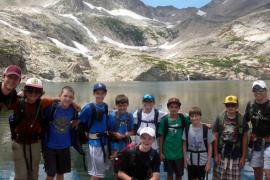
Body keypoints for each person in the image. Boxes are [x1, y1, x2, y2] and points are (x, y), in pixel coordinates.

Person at [10, 77, 54, 180]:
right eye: (30, 90)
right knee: (21, 175)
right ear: (25, 90)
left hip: (35, 143)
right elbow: (4, 99)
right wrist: (17, 94)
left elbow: (60, 100)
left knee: (33, 174)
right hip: (18, 142)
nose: (33, 93)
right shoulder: (17, 102)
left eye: (37, 91)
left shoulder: (43, 102)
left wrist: (74, 104)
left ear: (40, 93)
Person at [43, 86, 80, 180]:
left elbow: (76, 122)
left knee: (61, 173)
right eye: (65, 96)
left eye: (71, 97)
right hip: (50, 146)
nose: (68, 99)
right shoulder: (52, 107)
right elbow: (40, 101)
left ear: (73, 99)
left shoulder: (74, 110)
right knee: (50, 174)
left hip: (64, 146)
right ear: (60, 95)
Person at [213, 95, 248, 180]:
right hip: (222, 153)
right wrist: (216, 154)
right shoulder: (220, 117)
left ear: (237, 106)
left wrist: (243, 157)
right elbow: (216, 136)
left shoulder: (241, 119)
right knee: (218, 177)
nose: (230, 107)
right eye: (228, 105)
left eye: (233, 105)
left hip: (236, 154)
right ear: (225, 106)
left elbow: (244, 138)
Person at [79, 82, 109, 180]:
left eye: (102, 93)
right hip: (94, 143)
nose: (100, 95)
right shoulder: (88, 107)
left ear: (105, 93)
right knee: (96, 174)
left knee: (100, 172)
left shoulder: (105, 106)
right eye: (97, 93)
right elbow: (78, 121)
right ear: (94, 93)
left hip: (104, 142)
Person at [158, 97, 190, 180]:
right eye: (171, 107)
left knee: (179, 175)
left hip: (179, 153)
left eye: (176, 107)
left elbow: (195, 121)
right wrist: (161, 152)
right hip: (168, 153)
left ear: (179, 108)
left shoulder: (183, 118)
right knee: (169, 174)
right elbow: (161, 138)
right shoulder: (164, 121)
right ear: (168, 108)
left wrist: (205, 125)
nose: (174, 109)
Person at [244, 80, 270, 180]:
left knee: (268, 173)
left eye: (260, 89)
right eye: (255, 89)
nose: (257, 92)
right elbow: (244, 121)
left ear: (265, 90)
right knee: (257, 170)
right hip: (255, 143)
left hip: (268, 144)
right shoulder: (250, 105)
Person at [183, 106, 214, 180]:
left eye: (196, 116)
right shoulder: (187, 129)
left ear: (200, 116)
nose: (194, 118)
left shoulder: (206, 129)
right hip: (190, 161)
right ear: (189, 117)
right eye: (192, 116)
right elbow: (184, 145)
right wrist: (185, 160)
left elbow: (210, 146)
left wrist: (209, 163)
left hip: (203, 161)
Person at [108, 94, 134, 159]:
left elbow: (132, 131)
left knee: (124, 164)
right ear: (116, 105)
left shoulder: (130, 116)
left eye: (124, 106)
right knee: (115, 163)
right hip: (114, 145)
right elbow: (107, 131)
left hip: (125, 144)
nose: (122, 108)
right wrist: (115, 134)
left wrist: (127, 134)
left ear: (127, 105)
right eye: (120, 106)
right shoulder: (111, 116)